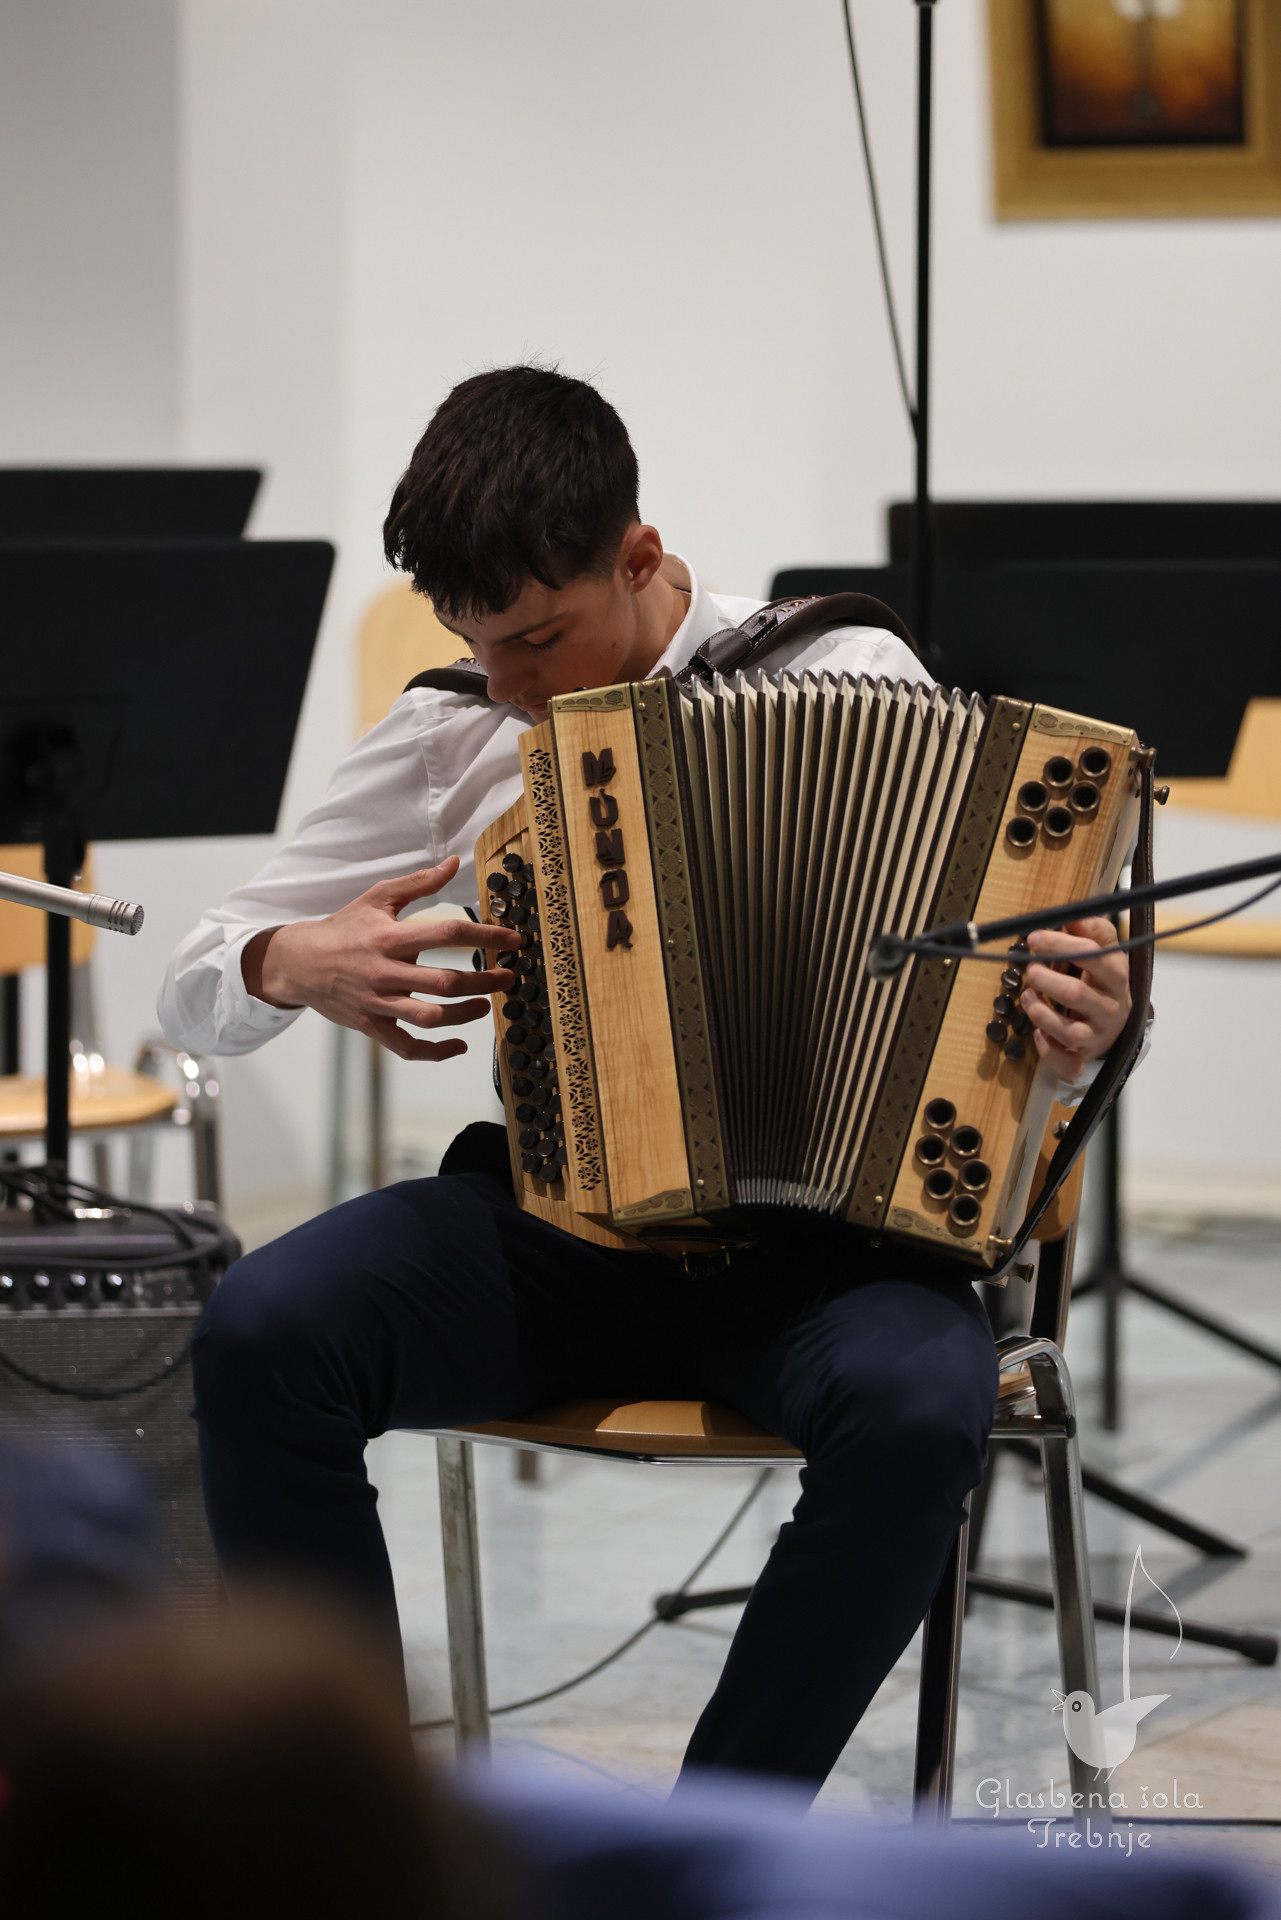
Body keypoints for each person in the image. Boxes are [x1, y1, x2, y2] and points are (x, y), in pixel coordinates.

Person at [161, 366, 1133, 1796]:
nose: (505, 684)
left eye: (539, 638)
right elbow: (198, 967)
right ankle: (349, 1825)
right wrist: (288, 964)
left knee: (922, 1410)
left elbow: (1021, 1002)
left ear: (640, 556)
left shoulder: (846, 675)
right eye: (470, 640)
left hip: (825, 1262)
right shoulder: (454, 728)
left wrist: (1087, 1019)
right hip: (559, 1239)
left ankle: (712, 1843)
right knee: (260, 1330)